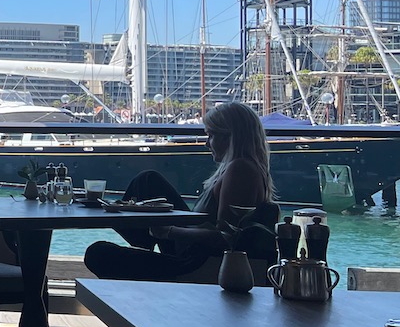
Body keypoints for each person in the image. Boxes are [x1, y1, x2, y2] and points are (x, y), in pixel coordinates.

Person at [83, 100, 279, 281]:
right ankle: (143, 242)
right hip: (193, 248)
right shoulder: (241, 167)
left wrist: (169, 232)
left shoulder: (240, 170)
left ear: (231, 136)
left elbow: (225, 238)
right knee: (148, 180)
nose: (206, 143)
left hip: (197, 260)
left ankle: (142, 241)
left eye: (211, 135)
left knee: (98, 253)